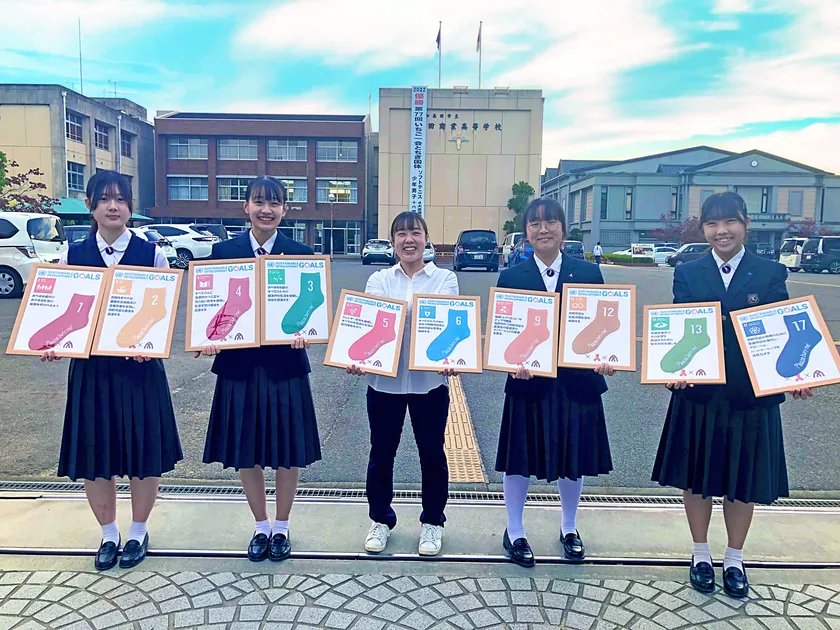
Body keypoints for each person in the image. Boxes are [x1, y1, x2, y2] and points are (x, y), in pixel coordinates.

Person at [652, 191, 813, 598]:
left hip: (750, 394)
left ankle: (735, 559)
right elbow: (680, 326)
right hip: (699, 392)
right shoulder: (688, 272)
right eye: (712, 223)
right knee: (696, 478)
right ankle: (700, 554)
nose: (721, 231)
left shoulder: (770, 273)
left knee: (743, 478)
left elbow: (783, 332)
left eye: (730, 222)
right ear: (703, 228)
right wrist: (674, 371)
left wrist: (797, 376)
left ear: (745, 224)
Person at [41, 170, 182, 570]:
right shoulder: (73, 255)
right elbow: (60, 315)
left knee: (143, 452)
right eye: (104, 199)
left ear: (130, 206)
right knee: (95, 452)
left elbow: (162, 312)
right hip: (92, 372)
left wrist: (150, 344)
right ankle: (107, 534)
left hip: (140, 370)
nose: (113, 206)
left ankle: (138, 531)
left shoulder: (151, 254)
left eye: (121, 199)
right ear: (90, 205)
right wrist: (54, 345)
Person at [197, 176, 320, 563]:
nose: (266, 209)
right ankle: (261, 525)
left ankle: (282, 526)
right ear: (246, 206)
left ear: (285, 210)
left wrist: (307, 333)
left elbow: (311, 309)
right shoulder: (223, 252)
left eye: (274, 203)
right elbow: (209, 306)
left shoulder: (300, 253)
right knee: (246, 449)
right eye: (259, 202)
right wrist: (207, 337)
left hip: (286, 364)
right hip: (239, 365)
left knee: (288, 451)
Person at [495, 198, 615, 567]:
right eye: (535, 223)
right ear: (526, 232)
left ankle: (569, 527)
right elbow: (504, 333)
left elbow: (604, 328)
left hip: (577, 382)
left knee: (572, 457)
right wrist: (510, 364)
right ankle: (515, 530)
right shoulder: (512, 277)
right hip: (528, 383)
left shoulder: (589, 273)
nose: (543, 229)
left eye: (550, 222)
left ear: (564, 229)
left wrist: (607, 358)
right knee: (519, 458)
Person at [347, 211, 458, 556]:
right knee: (381, 454)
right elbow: (373, 322)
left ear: (426, 239)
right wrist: (357, 355)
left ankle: (432, 522)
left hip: (430, 383)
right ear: (393, 241)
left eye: (416, 233)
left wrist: (455, 355)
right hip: (385, 383)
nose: (409, 240)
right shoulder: (379, 279)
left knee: (432, 454)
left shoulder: (445, 279)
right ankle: (380, 519)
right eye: (401, 234)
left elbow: (448, 323)